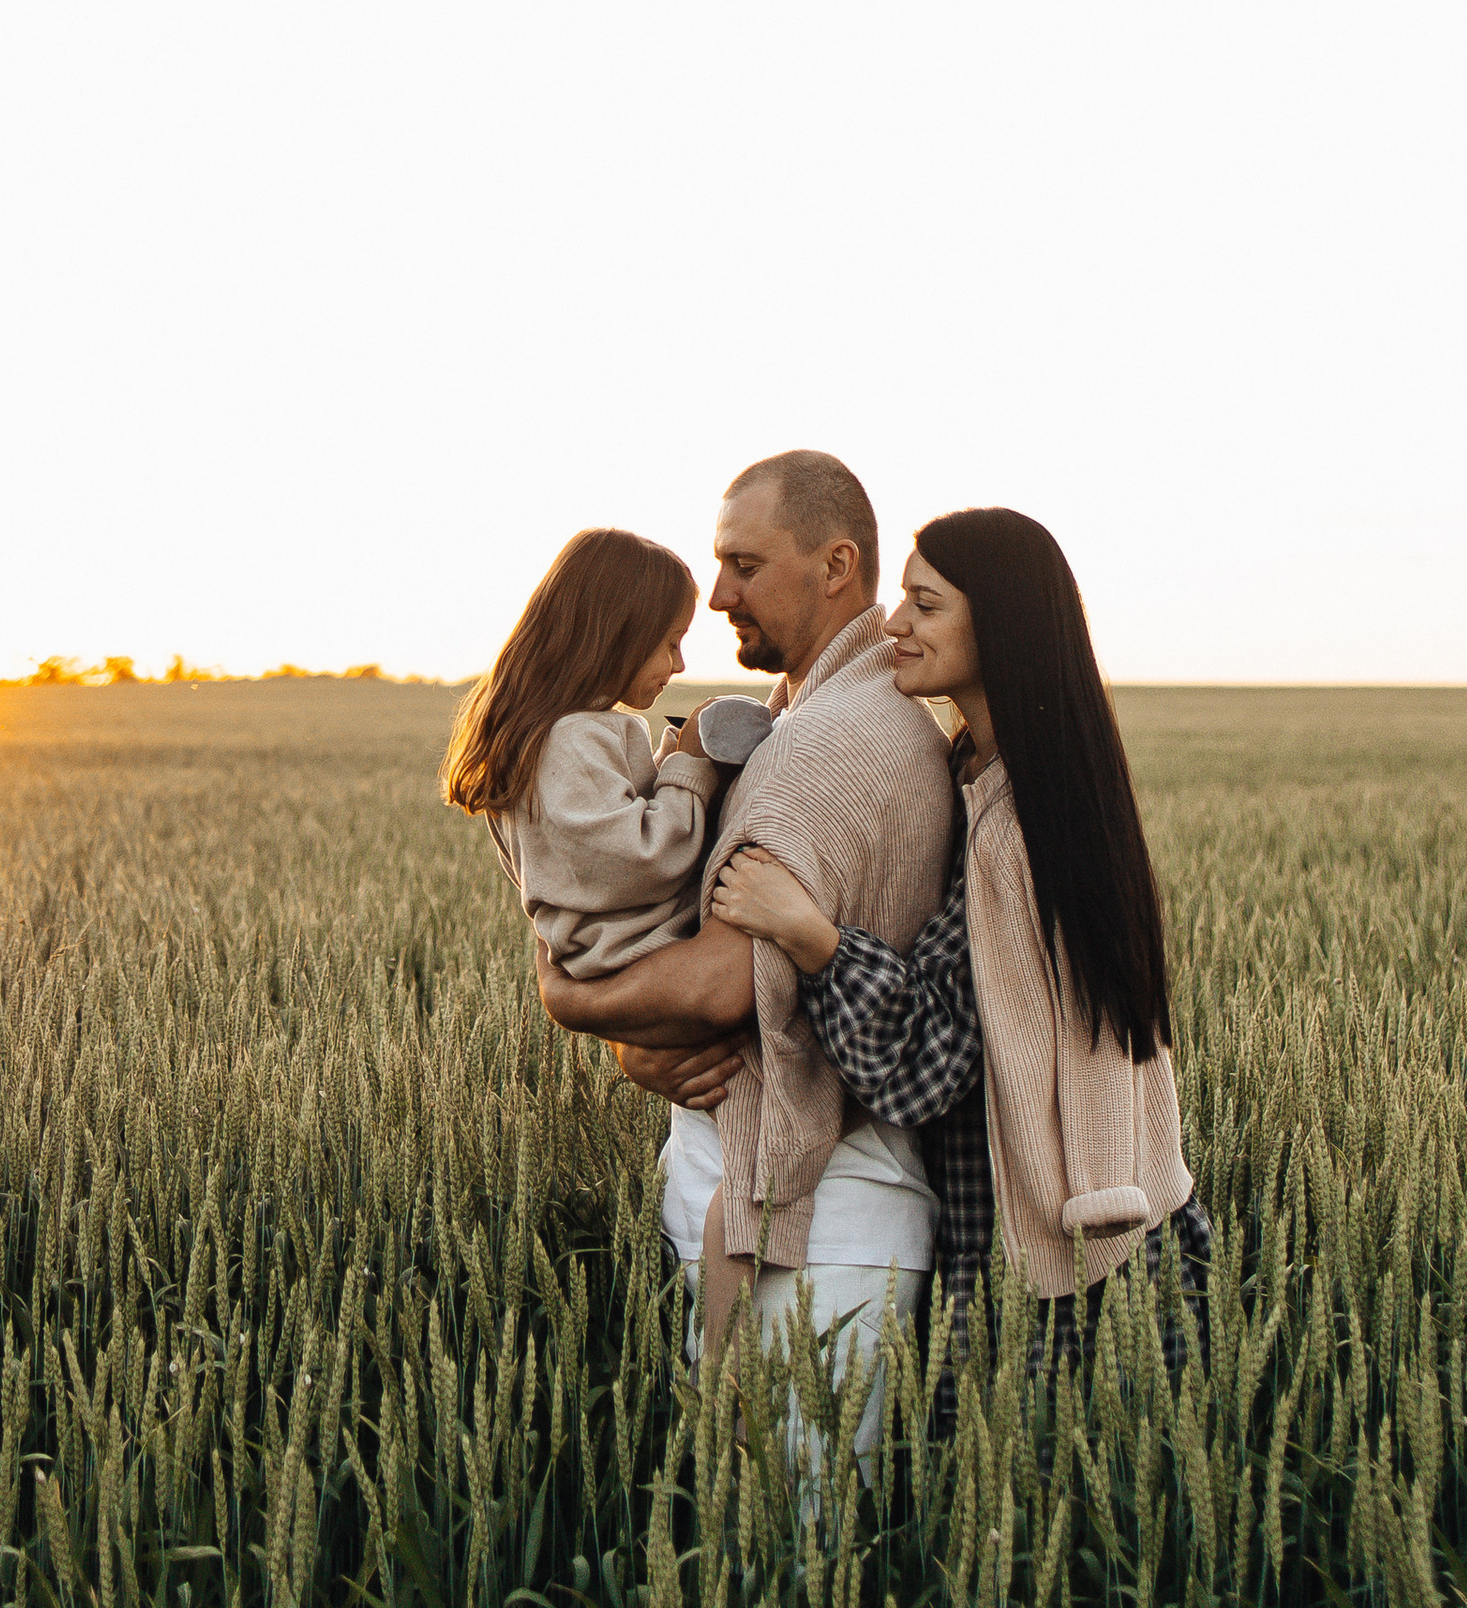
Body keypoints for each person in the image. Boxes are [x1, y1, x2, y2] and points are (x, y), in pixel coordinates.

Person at [711, 507, 1209, 1382]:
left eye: (925, 604)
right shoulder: (1004, 773)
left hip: (1060, 1269)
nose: (894, 623)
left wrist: (810, 933)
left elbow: (935, 1063)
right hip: (1091, 1229)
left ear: (1002, 624)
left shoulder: (1018, 828)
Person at [533, 451, 954, 1459]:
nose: (717, 594)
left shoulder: (827, 744)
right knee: (748, 1546)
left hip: (818, 1238)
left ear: (835, 565)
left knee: (794, 1558)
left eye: (743, 564)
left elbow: (725, 984)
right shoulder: (803, 718)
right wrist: (645, 1047)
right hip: (772, 1210)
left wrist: (572, 1001)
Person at [444, 530, 724, 975]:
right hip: (645, 953)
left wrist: (672, 754)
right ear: (619, 637)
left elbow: (599, 842)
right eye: (671, 642)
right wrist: (689, 765)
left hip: (616, 955)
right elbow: (645, 860)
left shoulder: (549, 737)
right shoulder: (569, 742)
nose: (680, 664)